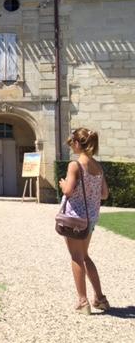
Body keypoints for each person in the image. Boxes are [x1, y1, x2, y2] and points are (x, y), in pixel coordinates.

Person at [58, 128, 110, 314]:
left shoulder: (75, 165)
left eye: (72, 142)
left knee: (76, 257)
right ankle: (100, 298)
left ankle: (82, 302)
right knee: (85, 256)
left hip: (74, 218)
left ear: (78, 144)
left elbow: (68, 191)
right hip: (90, 218)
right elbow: (104, 194)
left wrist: (63, 183)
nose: (71, 146)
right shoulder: (97, 166)